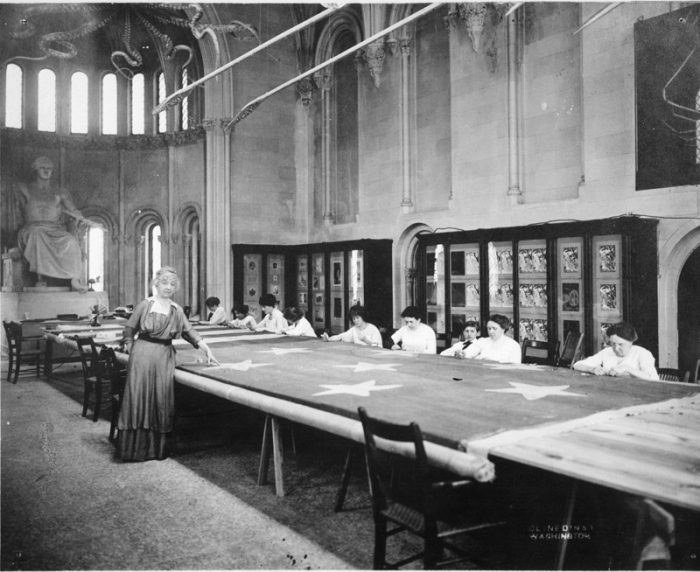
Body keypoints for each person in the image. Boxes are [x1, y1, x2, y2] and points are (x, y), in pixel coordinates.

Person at [117, 267, 219, 462]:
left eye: (172, 284)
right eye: (165, 283)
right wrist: (132, 349)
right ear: (156, 284)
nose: (168, 287)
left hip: (164, 357)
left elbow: (190, 332)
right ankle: (134, 450)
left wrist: (206, 349)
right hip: (141, 356)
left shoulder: (176, 309)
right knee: (137, 397)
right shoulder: (145, 305)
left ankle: (156, 450)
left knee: (161, 399)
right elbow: (129, 330)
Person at [16, 156, 98, 292]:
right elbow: (14, 209)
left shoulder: (60, 192)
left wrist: (83, 219)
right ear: (36, 169)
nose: (47, 171)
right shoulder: (25, 189)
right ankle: (40, 279)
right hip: (32, 228)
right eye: (43, 168)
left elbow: (73, 210)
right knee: (38, 236)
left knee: (71, 241)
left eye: (50, 169)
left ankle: (74, 279)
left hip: (55, 229)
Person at [573, 322, 659, 380]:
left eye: (620, 344)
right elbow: (577, 365)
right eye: (613, 343)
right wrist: (592, 369)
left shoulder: (642, 353)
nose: (616, 348)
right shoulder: (607, 352)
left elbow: (653, 378)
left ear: (631, 342)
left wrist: (627, 368)